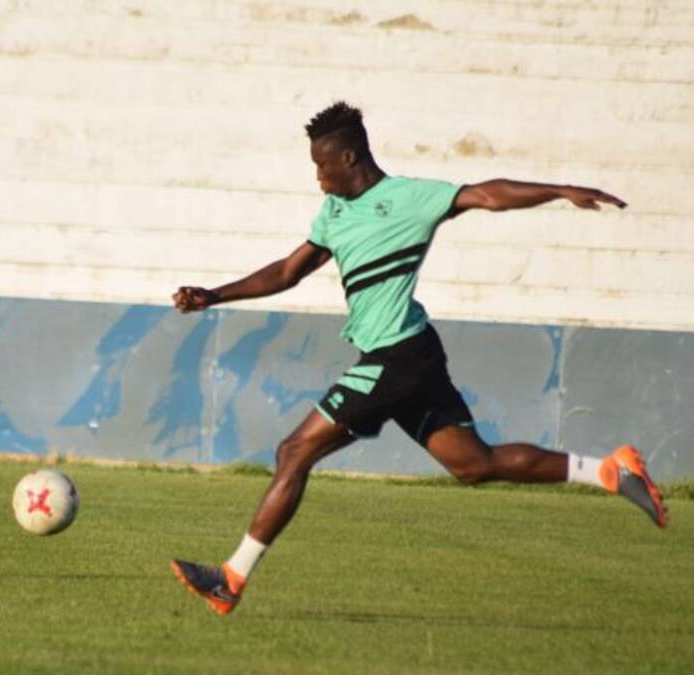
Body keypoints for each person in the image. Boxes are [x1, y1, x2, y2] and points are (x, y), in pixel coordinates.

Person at [168, 101, 667, 616]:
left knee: (294, 451)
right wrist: (214, 295)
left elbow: (487, 194)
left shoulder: (409, 198)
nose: (317, 176)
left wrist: (559, 191)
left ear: (348, 157)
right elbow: (288, 271)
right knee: (474, 464)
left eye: (321, 165)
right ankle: (609, 471)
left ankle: (231, 578)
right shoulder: (334, 212)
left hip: (397, 357)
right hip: (410, 354)